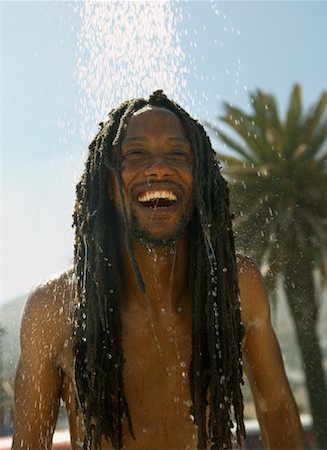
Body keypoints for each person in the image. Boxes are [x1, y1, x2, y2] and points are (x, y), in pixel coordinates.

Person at [12, 91, 304, 450]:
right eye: (136, 154)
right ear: (106, 181)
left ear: (201, 179)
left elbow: (274, 408)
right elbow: (29, 444)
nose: (159, 167)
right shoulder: (55, 308)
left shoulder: (234, 285)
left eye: (178, 154)